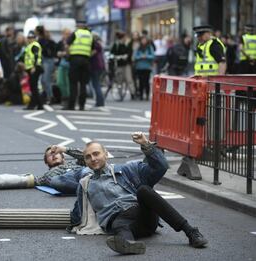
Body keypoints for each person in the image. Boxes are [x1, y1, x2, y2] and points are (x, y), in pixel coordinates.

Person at [70, 133, 208, 255]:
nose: (93, 159)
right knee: (117, 223)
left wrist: (146, 145)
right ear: (85, 161)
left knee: (144, 190)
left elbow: (161, 167)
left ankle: (191, 232)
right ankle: (129, 244)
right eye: (88, 157)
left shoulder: (127, 169)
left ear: (105, 154)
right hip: (121, 223)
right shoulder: (85, 184)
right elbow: (78, 213)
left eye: (96, 154)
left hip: (142, 214)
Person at [65, 20, 94, 110]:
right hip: (86, 60)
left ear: (77, 26)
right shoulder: (90, 35)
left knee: (73, 83)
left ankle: (71, 105)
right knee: (83, 84)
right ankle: (82, 105)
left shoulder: (75, 33)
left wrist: (68, 55)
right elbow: (93, 49)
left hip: (75, 60)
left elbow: (67, 45)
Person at [110, 31, 136, 100]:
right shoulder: (116, 44)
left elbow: (130, 53)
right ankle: (120, 93)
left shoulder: (127, 44)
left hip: (127, 64)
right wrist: (116, 57)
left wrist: (126, 56)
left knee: (129, 79)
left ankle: (133, 93)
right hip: (119, 64)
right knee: (119, 80)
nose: (125, 38)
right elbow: (112, 53)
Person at [23, 31, 43, 110]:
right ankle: (38, 104)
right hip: (31, 68)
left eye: (31, 38)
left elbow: (36, 56)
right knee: (33, 87)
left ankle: (33, 105)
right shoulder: (30, 46)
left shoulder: (35, 45)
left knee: (34, 87)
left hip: (34, 68)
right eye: (29, 38)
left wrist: (34, 67)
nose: (30, 39)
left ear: (34, 38)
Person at [37, 27, 57, 104]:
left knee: (46, 80)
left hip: (48, 61)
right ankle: (47, 96)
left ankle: (50, 97)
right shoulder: (41, 41)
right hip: (43, 60)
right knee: (43, 80)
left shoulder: (49, 42)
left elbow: (52, 52)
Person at [134, 36, 155, 100]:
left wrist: (146, 56)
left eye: (145, 40)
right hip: (139, 67)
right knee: (140, 82)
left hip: (147, 67)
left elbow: (153, 56)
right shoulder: (138, 48)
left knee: (146, 82)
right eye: (142, 40)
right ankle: (141, 95)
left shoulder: (149, 47)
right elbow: (135, 56)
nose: (143, 41)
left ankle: (147, 95)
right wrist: (141, 56)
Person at [56, 28, 71, 107]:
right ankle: (64, 96)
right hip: (61, 64)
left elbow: (70, 53)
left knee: (68, 83)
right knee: (60, 82)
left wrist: (65, 53)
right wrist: (61, 53)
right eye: (65, 33)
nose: (67, 35)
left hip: (69, 64)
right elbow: (57, 53)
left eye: (68, 34)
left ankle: (68, 99)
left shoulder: (72, 42)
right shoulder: (60, 43)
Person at [89, 33, 105, 107]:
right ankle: (100, 101)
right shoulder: (99, 45)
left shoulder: (96, 45)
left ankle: (100, 101)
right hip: (100, 66)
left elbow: (91, 54)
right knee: (96, 84)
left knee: (96, 84)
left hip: (95, 66)